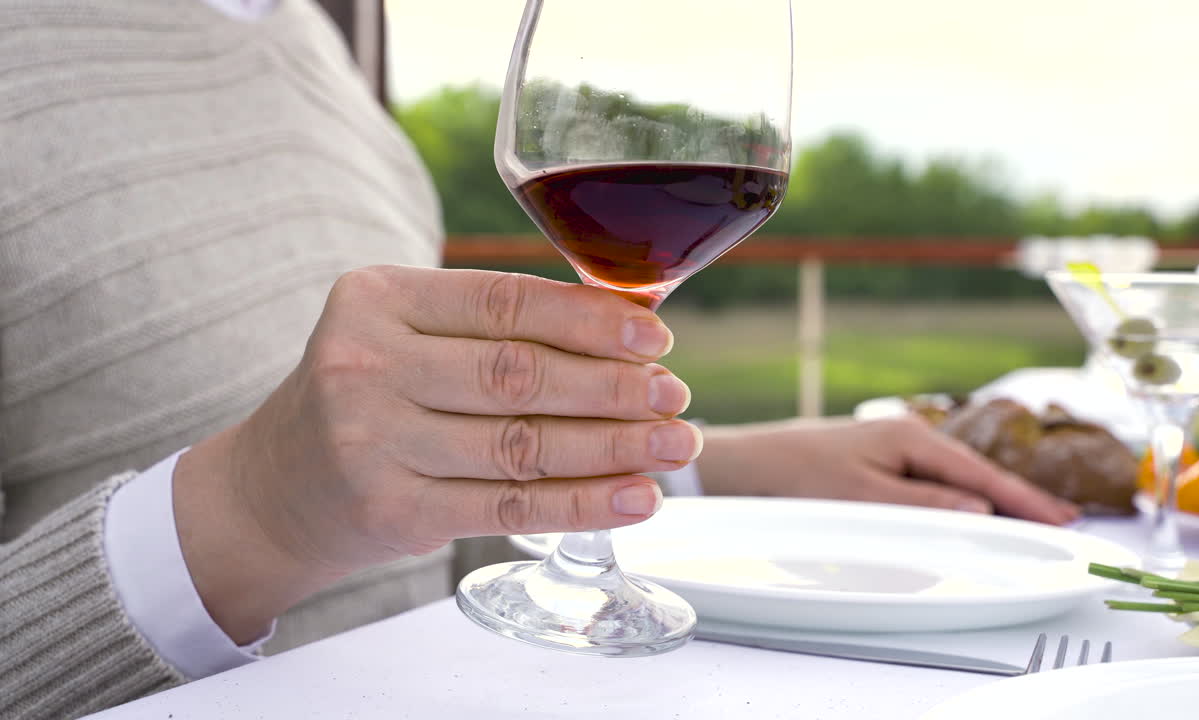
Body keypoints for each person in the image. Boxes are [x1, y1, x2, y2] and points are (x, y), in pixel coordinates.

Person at [0, 0, 1077, 717]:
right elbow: (305, 501)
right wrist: (247, 513)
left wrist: (704, 468)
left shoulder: (309, 47)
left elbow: (404, 551)